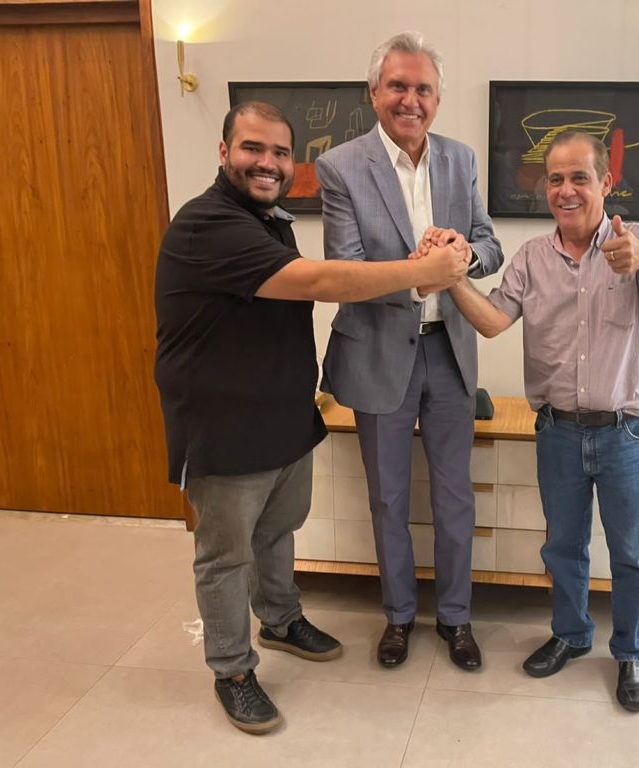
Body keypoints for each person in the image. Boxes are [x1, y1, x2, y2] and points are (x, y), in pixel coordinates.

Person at [153, 101, 468, 734]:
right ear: (224, 152)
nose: (267, 163)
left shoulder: (271, 221)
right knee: (225, 555)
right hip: (223, 424)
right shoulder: (208, 224)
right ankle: (232, 670)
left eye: (279, 152)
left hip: (283, 415)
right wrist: (422, 271)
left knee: (278, 531)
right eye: (252, 148)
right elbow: (321, 282)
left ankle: (280, 619)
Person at [440, 129, 639, 712]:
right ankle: (572, 635)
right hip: (558, 430)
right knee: (563, 547)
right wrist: (451, 278)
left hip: (626, 431)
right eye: (556, 179)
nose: (567, 190)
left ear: (606, 182)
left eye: (580, 177)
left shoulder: (635, 241)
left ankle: (632, 651)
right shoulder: (530, 258)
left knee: (631, 553)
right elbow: (493, 322)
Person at [315, 32, 504, 671]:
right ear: (374, 93)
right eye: (398, 86)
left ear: (438, 98)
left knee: (455, 498)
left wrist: (464, 254)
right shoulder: (341, 167)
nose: (410, 100)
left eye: (423, 88)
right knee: (389, 499)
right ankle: (398, 616)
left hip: (449, 352)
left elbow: (490, 245)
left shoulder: (460, 159)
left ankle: (455, 618)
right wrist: (422, 274)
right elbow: (345, 269)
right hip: (377, 354)